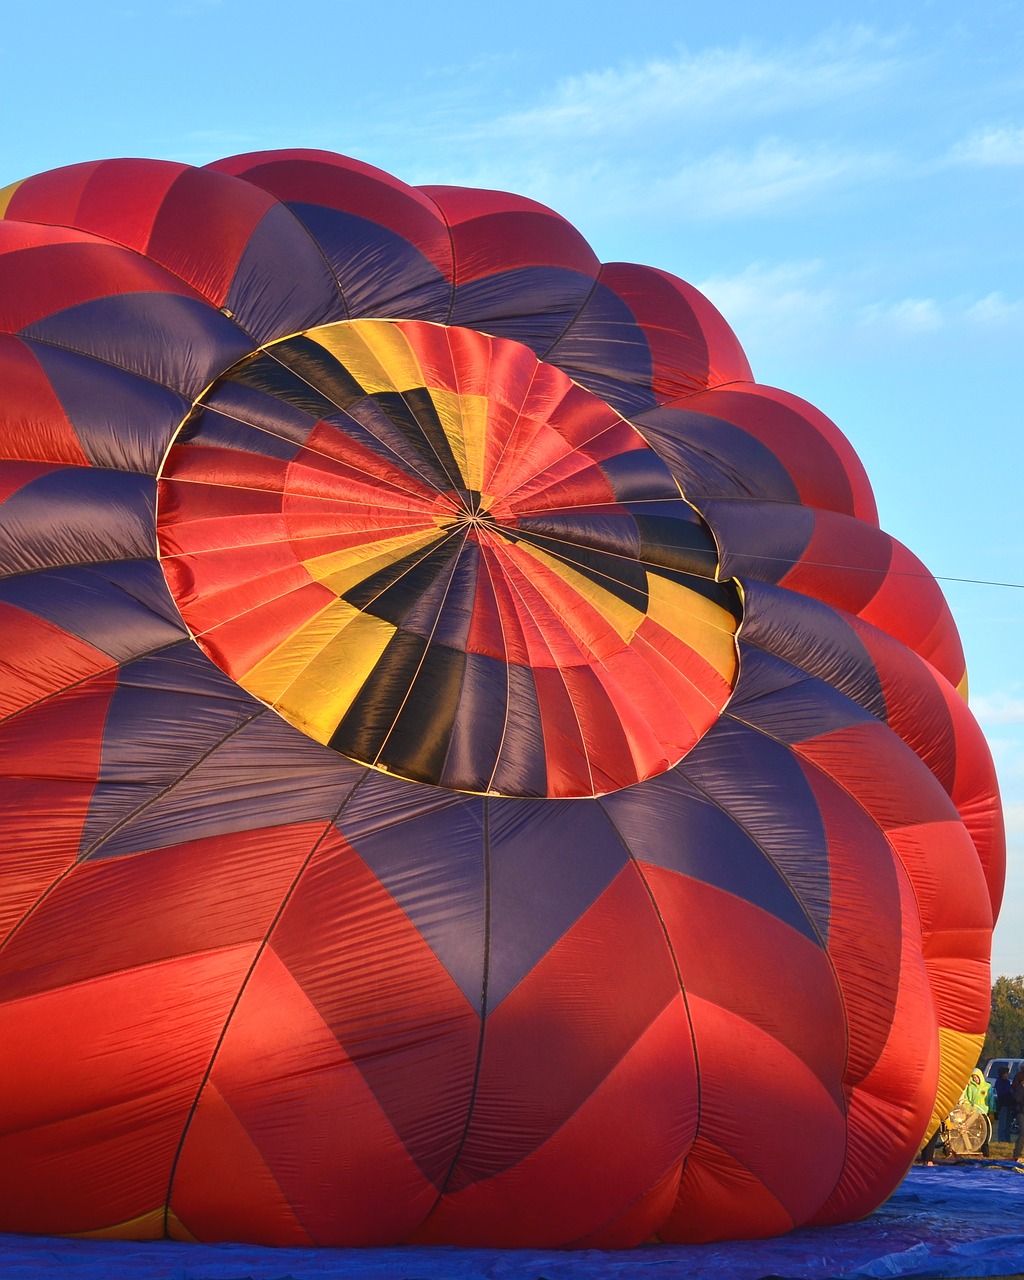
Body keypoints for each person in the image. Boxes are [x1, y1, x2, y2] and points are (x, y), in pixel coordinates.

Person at [962, 1067, 994, 1157]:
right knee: (974, 1130)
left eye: (976, 1077)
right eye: (974, 1077)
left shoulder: (987, 1086)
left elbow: (991, 1100)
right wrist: (967, 1109)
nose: (975, 1079)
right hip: (974, 1113)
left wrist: (992, 1111)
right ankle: (972, 1148)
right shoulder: (971, 1087)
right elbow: (968, 1099)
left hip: (984, 1112)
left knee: (985, 1131)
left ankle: (985, 1150)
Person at [994, 1066, 1015, 1143]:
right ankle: (1001, 1139)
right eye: (1006, 1073)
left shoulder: (1007, 1081)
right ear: (1002, 1074)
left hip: (1009, 1104)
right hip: (1003, 1104)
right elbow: (1001, 1093)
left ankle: (1007, 1139)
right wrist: (1009, 1091)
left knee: (1008, 1123)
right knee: (1002, 1123)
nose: (1007, 1075)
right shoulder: (999, 1082)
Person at [1013, 1066, 1024, 1162]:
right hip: (1021, 1111)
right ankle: (1017, 1153)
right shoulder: (1021, 1084)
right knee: (1022, 1132)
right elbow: (1018, 1098)